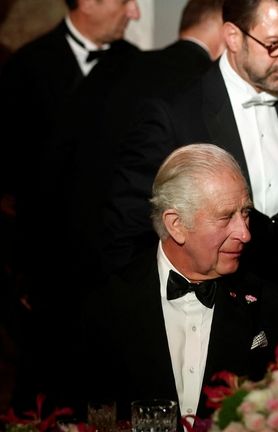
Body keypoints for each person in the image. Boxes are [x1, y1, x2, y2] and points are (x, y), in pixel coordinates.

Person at [106, 0, 278, 358]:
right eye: (274, 44)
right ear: (233, 36)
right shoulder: (175, 112)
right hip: (212, 319)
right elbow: (128, 228)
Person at [83, 144, 278, 420]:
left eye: (245, 213)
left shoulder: (276, 309)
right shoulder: (100, 308)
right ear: (176, 225)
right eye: (226, 217)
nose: (245, 234)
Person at [0, 0, 140, 409]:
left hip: (115, 274)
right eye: (126, 1)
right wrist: (21, 274)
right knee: (43, 396)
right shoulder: (26, 67)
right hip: (47, 280)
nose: (135, 13)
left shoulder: (136, 65)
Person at [61, 0, 227, 305]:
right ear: (225, 28)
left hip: (70, 265)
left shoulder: (114, 67)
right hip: (147, 280)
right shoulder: (205, 88)